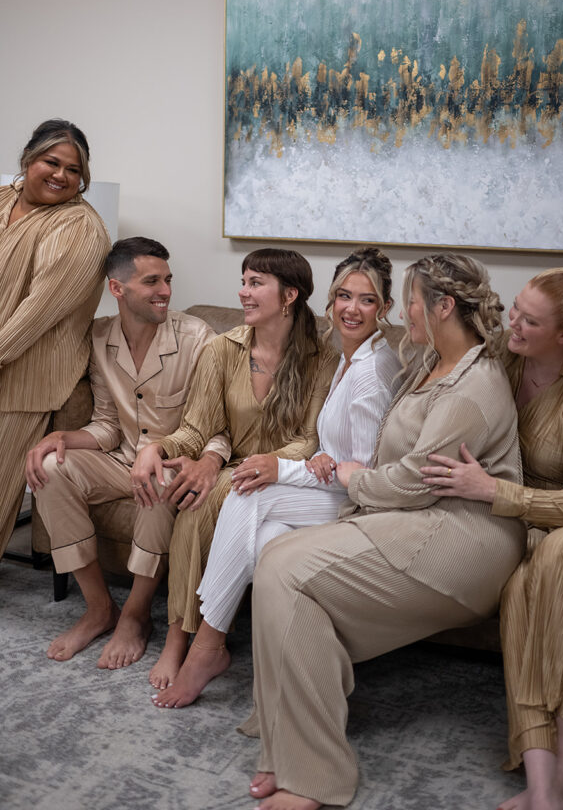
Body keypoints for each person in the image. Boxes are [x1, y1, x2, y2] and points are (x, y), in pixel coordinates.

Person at [242, 253, 526, 810]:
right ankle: (291, 739)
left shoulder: (472, 386)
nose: (406, 311)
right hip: (414, 516)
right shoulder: (429, 360)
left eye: (414, 301)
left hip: (461, 540)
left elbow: (419, 480)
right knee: (276, 556)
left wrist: (356, 480)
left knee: (285, 569)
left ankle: (314, 777)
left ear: (444, 307)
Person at [152, 246, 401, 707]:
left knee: (235, 497)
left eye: (366, 300)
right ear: (328, 300)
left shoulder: (348, 366)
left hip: (330, 492)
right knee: (261, 537)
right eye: (343, 296)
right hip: (299, 478)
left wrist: (273, 467)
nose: (351, 308)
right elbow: (208, 426)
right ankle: (269, 662)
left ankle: (205, 647)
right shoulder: (343, 356)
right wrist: (181, 451)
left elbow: (351, 465)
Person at [419, 263, 563, 810]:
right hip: (514, 526)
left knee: (556, 557)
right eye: (514, 311)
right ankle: (542, 774)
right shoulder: (502, 360)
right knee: (521, 587)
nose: (512, 326)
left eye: (530, 322)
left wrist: (493, 493)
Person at [132, 248, 338, 690]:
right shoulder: (221, 349)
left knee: (200, 505)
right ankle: (180, 638)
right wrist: (157, 447)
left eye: (255, 283)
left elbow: (310, 438)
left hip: (286, 477)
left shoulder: (322, 358)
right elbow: (197, 428)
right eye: (243, 281)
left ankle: (184, 642)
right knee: (194, 496)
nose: (243, 292)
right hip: (234, 469)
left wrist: (273, 464)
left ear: (289, 295)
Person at [25, 237, 231, 668]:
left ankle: (135, 616)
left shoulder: (199, 339)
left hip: (172, 462)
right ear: (117, 289)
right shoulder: (100, 336)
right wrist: (59, 437)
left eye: (168, 280)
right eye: (152, 281)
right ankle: (100, 609)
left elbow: (218, 424)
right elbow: (105, 424)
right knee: (50, 467)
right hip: (120, 458)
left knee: (156, 481)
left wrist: (203, 460)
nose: (166, 291)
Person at [0, 119, 110, 559]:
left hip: (23, 380)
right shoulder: (5, 198)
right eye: (51, 161)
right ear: (29, 158)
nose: (61, 175)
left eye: (73, 169)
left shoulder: (79, 229)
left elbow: (35, 315)